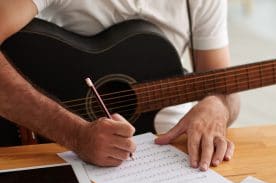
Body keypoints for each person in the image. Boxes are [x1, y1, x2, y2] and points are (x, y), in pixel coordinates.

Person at [0, 0, 240, 171]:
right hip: (56, 149)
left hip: (167, 153)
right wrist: (75, 134)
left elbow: (224, 86)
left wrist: (218, 106)